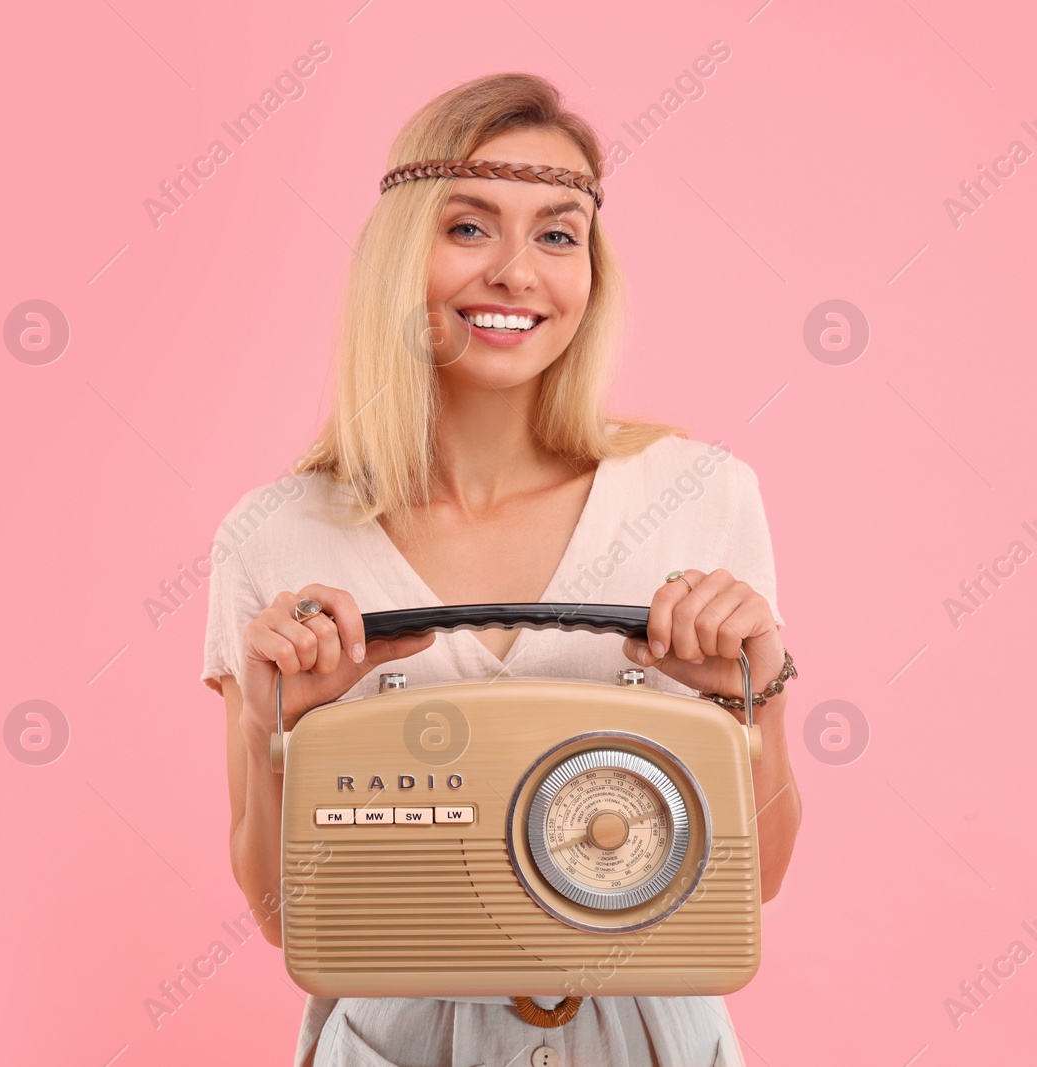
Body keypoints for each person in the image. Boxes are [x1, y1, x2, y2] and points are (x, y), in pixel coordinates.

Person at [199, 73, 802, 1067]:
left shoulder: (700, 493)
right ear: (399, 254)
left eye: (557, 235)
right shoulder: (274, 535)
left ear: (591, 274)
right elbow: (280, 914)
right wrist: (275, 719)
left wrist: (756, 699)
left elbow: (760, 878)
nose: (517, 273)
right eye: (469, 228)